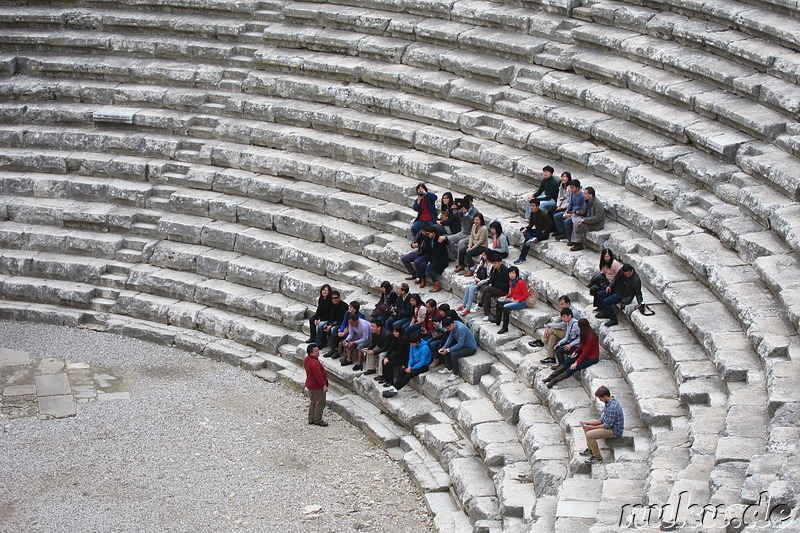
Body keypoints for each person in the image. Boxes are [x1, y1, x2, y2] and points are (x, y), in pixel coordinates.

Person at [543, 318, 599, 388]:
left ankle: (555, 380)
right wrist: (576, 351)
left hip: (591, 357)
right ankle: (551, 377)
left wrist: (577, 362)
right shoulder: (585, 332)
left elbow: (586, 352)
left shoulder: (591, 337)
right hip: (583, 353)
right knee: (568, 361)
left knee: (573, 368)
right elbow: (582, 344)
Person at [579, 386, 624, 464]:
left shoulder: (612, 407)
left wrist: (592, 427)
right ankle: (591, 449)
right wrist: (590, 423)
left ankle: (597, 457)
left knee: (590, 434)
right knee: (586, 425)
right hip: (609, 426)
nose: (600, 400)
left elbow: (607, 425)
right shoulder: (609, 403)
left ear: (605, 396)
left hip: (614, 430)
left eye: (600, 398)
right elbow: (603, 419)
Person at [382, 333, 431, 397]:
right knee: (401, 372)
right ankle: (394, 388)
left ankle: (395, 388)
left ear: (417, 342)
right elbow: (411, 357)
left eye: (412, 343)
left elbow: (422, 362)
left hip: (423, 365)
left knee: (408, 375)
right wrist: (409, 366)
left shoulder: (425, 348)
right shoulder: (412, 345)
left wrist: (411, 368)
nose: (411, 345)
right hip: (414, 363)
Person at [514, 199, 554, 264]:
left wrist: (544, 231)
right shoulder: (532, 213)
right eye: (531, 206)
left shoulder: (543, 214)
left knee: (527, 240)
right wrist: (526, 229)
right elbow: (531, 225)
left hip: (543, 233)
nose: (531, 207)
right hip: (537, 231)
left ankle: (522, 257)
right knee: (522, 229)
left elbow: (550, 225)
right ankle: (530, 238)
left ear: (537, 206)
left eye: (533, 206)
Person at [568, 186, 604, 251]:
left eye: (585, 194)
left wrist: (584, 221)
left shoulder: (598, 204)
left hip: (595, 224)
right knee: (574, 217)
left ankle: (578, 243)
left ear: (590, 195)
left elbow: (597, 218)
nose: (584, 195)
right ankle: (575, 238)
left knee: (577, 226)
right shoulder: (586, 201)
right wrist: (577, 213)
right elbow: (583, 210)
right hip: (586, 219)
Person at [495, 266, 528, 334]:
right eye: (510, 273)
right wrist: (506, 296)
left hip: (521, 302)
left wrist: (517, 300)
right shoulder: (511, 282)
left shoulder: (520, 282)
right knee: (499, 301)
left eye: (513, 273)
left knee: (505, 307)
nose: (511, 275)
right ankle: (497, 320)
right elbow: (513, 292)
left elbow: (526, 295)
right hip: (514, 299)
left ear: (516, 274)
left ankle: (505, 327)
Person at [458, 250, 491, 315]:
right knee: (468, 287)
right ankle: (463, 304)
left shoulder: (491, 265)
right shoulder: (482, 262)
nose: (483, 256)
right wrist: (475, 277)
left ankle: (468, 308)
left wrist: (482, 282)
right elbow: (476, 270)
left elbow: (490, 277)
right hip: (479, 280)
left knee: (472, 288)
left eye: (484, 255)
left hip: (485, 282)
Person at [304, 344, 329, 427]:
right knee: (320, 403)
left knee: (313, 401)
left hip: (310, 384)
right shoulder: (314, 362)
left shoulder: (307, 359)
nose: (318, 352)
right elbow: (318, 376)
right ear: (311, 353)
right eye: (316, 351)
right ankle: (317, 420)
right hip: (316, 386)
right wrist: (323, 385)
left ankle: (311, 418)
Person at [447, 196, 479, 261]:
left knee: (461, 243)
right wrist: (455, 209)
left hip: (471, 234)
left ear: (471, 202)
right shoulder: (463, 208)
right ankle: (452, 256)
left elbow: (473, 221)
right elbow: (457, 214)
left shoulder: (475, 211)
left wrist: (466, 214)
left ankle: (461, 262)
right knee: (448, 239)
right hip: (463, 231)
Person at [419, 225, 449, 292]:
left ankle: (437, 284)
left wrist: (431, 261)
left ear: (433, 232)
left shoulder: (439, 239)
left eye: (428, 234)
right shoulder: (429, 239)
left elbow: (438, 252)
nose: (427, 235)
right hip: (432, 257)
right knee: (422, 265)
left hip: (440, 258)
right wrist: (429, 260)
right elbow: (428, 251)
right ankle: (423, 280)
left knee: (429, 268)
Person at [480, 254, 509, 322]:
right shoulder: (494, 269)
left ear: (500, 262)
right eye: (493, 263)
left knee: (486, 288)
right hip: (495, 288)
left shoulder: (505, 271)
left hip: (502, 290)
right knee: (487, 295)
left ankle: (480, 303)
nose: (494, 265)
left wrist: (493, 285)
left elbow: (505, 284)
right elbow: (492, 278)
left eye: (495, 263)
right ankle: (487, 314)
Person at [321, 291, 348, 358]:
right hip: (335, 322)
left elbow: (342, 320)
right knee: (322, 325)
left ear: (339, 298)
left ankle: (333, 350)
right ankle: (321, 343)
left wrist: (331, 325)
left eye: (336, 298)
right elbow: (332, 316)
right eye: (332, 298)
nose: (334, 299)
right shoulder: (333, 305)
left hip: (342, 324)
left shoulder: (344, 306)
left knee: (333, 330)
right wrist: (327, 324)